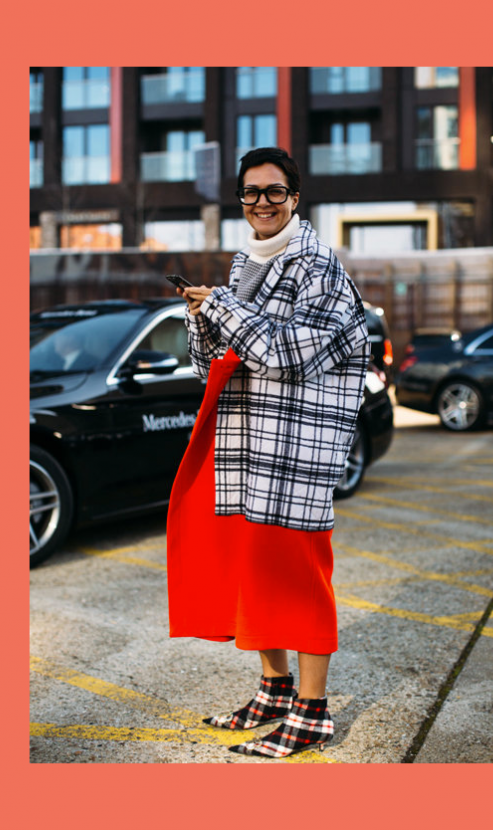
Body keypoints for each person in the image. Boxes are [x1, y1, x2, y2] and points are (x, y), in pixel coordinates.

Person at [166, 147, 369, 758]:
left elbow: (285, 356)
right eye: (251, 192)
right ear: (240, 200)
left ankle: (312, 712)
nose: (262, 202)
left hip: (296, 453)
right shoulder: (245, 267)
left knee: (300, 581)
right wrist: (202, 318)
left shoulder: (319, 266)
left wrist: (221, 307)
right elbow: (216, 365)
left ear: (294, 198)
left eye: (274, 191)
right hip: (247, 448)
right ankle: (275, 690)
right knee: (254, 578)